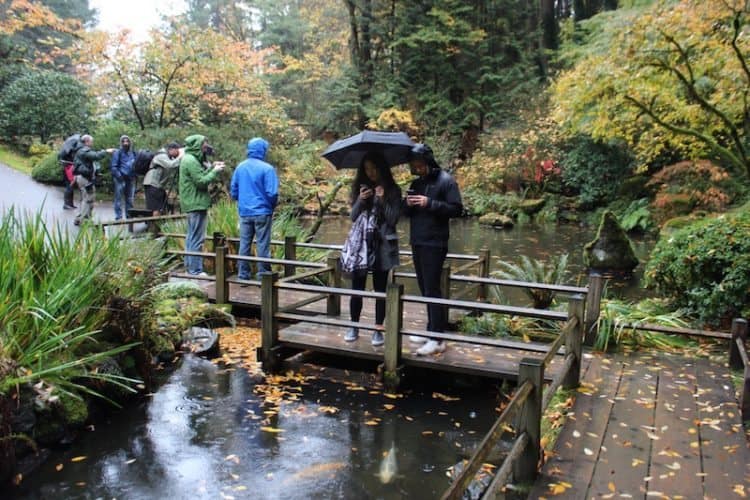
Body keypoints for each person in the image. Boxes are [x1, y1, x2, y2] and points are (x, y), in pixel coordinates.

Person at [402, 143, 463, 356]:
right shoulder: (416, 183)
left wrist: (430, 203)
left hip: (435, 242)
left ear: (428, 161)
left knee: (432, 289)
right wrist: (407, 204)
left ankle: (437, 338)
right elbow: (405, 213)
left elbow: (457, 210)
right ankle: (431, 329)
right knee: (424, 287)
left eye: (419, 164)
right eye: (414, 165)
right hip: (417, 240)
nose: (417, 168)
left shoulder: (446, 181)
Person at [340, 152, 401, 346]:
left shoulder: (393, 190)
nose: (371, 172)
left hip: (382, 245)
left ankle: (378, 329)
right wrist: (360, 199)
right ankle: (354, 326)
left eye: (374, 168)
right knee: (356, 288)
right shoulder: (361, 188)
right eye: (367, 169)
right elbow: (353, 216)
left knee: (381, 289)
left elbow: (393, 220)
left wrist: (382, 200)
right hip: (361, 246)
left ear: (382, 168)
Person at [230, 137, 279, 281]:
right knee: (263, 244)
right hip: (263, 212)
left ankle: (243, 275)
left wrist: (242, 201)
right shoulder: (267, 169)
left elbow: (234, 190)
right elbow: (273, 193)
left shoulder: (240, 167)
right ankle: (263, 275)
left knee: (244, 244)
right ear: (263, 150)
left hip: (245, 212)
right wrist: (271, 206)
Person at [179, 134, 224, 276]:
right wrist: (215, 172)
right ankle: (195, 270)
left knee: (191, 237)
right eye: (204, 144)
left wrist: (211, 168)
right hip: (196, 202)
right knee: (196, 238)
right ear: (197, 145)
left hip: (192, 202)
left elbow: (199, 176)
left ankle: (190, 267)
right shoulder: (191, 160)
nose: (206, 146)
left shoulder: (189, 158)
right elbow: (200, 181)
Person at [72, 135, 115, 225]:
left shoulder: (79, 150)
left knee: (85, 198)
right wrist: (106, 151)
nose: (92, 143)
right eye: (92, 141)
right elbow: (96, 156)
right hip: (85, 178)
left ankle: (80, 218)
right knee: (88, 199)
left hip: (82, 177)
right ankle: (84, 220)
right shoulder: (84, 150)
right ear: (87, 141)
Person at [144, 142, 183, 216]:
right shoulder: (162, 156)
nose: (178, 153)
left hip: (158, 186)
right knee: (156, 208)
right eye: (177, 151)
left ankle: (158, 225)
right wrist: (182, 157)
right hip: (152, 184)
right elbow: (171, 165)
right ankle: (154, 226)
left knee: (163, 207)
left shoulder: (168, 157)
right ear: (171, 149)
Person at [110, 135, 137, 220]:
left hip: (130, 179)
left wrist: (135, 175)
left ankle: (129, 216)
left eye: (127, 141)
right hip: (120, 179)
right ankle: (119, 217)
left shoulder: (133, 153)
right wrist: (119, 176)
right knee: (118, 199)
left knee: (130, 199)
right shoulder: (117, 152)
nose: (126, 143)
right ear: (121, 143)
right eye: (123, 141)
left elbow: (136, 165)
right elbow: (113, 166)